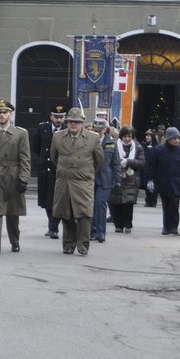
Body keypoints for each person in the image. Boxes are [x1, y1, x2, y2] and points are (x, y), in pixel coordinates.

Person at [51, 106, 102, 255]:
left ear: (82, 123)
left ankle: (83, 244)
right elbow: (54, 157)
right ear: (67, 122)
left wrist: (86, 173)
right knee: (66, 214)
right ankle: (68, 244)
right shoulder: (58, 137)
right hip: (64, 181)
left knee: (84, 215)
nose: (73, 124)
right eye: (71, 121)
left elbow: (99, 161)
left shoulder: (93, 138)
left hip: (83, 182)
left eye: (77, 122)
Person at [0, 98, 30, 253]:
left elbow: (25, 158)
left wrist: (23, 178)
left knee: (12, 212)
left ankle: (14, 240)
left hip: (13, 174)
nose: (2, 115)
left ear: (11, 114)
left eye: (5, 112)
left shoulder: (20, 134)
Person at [145, 126, 180, 235]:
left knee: (174, 204)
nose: (176, 140)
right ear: (169, 139)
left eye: (178, 138)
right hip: (163, 182)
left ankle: (173, 227)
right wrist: (150, 180)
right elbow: (151, 165)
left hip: (177, 183)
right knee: (166, 205)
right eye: (174, 138)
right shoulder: (159, 150)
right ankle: (166, 227)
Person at [32, 105, 62, 236]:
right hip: (45, 168)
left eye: (61, 117)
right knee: (46, 200)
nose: (58, 120)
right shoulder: (42, 128)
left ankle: (53, 227)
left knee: (57, 200)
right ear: (51, 117)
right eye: (56, 117)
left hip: (60, 170)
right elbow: (36, 147)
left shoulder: (66, 131)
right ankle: (52, 224)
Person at [91, 120, 121, 243]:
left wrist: (118, 180)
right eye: (95, 130)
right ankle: (91, 231)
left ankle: (101, 232)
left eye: (100, 130)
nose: (98, 133)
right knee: (90, 206)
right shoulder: (89, 141)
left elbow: (116, 163)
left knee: (100, 204)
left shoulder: (111, 143)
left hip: (105, 179)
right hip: (90, 178)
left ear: (104, 130)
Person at [113, 125, 145, 234]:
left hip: (131, 179)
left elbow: (141, 162)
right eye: (125, 136)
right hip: (117, 177)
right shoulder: (114, 146)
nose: (127, 139)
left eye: (129, 136)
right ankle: (118, 225)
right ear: (121, 136)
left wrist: (129, 162)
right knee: (116, 202)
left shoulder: (138, 147)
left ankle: (128, 225)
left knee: (128, 203)